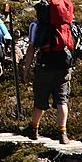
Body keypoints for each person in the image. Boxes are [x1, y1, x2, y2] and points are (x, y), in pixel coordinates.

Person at [22, 12, 72, 144]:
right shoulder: (66, 22)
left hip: (44, 66)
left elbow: (31, 47)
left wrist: (26, 69)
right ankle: (63, 133)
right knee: (62, 100)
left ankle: (33, 128)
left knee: (40, 99)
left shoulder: (36, 24)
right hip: (64, 66)